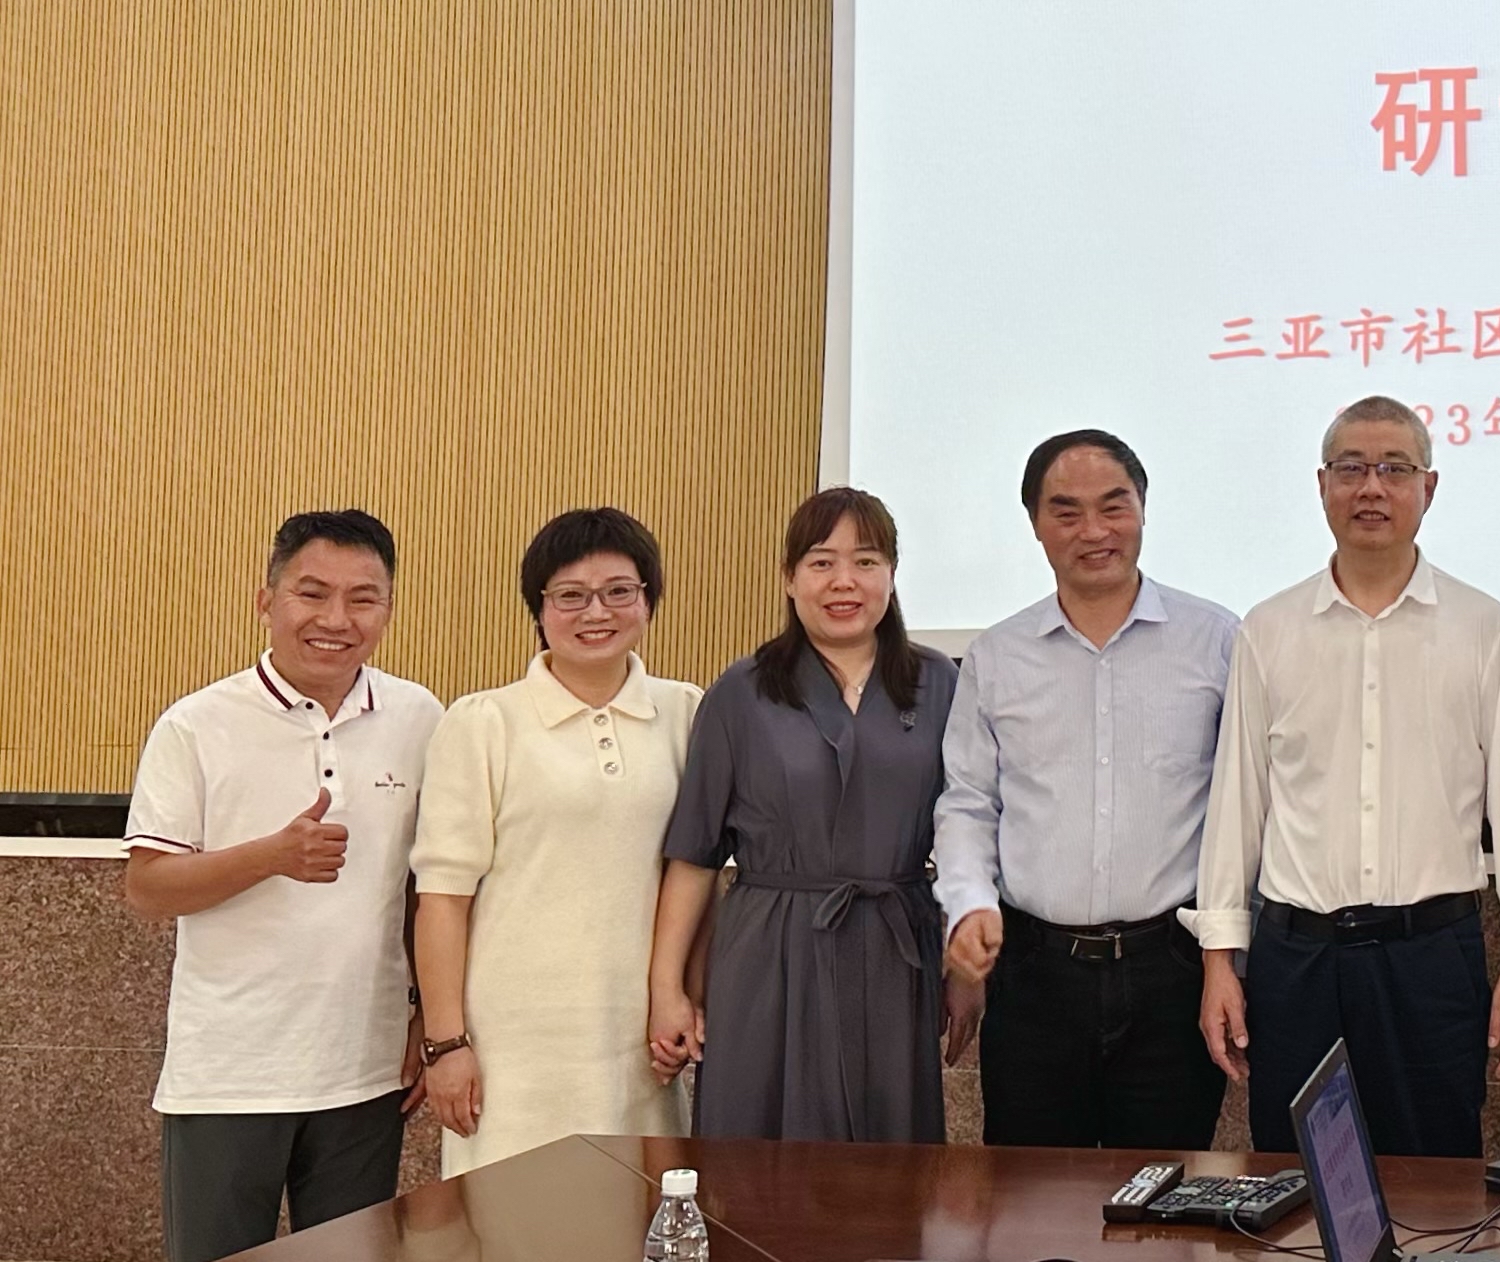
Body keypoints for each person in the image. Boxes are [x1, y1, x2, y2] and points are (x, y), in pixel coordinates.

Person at [1189, 396, 1500, 1158]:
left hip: (1431, 957)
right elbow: (1237, 805)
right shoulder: (1269, 629)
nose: (1372, 488)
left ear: (1429, 487)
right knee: (1293, 1182)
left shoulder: (1483, 627)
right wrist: (1219, 962)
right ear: (1322, 484)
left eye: (1395, 469)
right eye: (1351, 469)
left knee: (1435, 1180)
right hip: (1297, 960)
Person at [122, 511, 445, 1262]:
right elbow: (149, 887)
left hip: (365, 1071)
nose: (336, 619)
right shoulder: (196, 725)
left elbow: (427, 886)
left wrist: (429, 1014)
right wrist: (271, 856)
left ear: (388, 611)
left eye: (363, 598)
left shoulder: (421, 717)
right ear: (266, 601)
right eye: (312, 593)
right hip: (229, 1075)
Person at [935, 429, 1239, 1150]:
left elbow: (1243, 807)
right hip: (1034, 975)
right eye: (1066, 512)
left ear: (1143, 509)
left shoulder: (1218, 641)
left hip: (1172, 968)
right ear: (1036, 525)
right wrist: (969, 906)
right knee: (1028, 1196)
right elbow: (969, 802)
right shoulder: (997, 656)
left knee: (1164, 1192)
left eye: (1114, 506)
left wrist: (1230, 957)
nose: (1094, 531)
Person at [647, 487, 964, 1142]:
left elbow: (971, 833)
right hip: (771, 950)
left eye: (866, 561)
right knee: (761, 1148)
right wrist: (667, 988)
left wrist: (968, 970)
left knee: (889, 1153)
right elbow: (694, 855)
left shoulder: (941, 685)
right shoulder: (741, 693)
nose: (844, 581)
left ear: (892, 574)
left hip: (896, 951)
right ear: (790, 579)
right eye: (822, 562)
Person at [411, 509, 703, 1175]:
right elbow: (443, 899)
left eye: (619, 591)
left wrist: (686, 994)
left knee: (636, 1214)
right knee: (515, 1221)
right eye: (570, 595)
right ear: (539, 610)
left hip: (641, 1042)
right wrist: (446, 1044)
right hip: (513, 1046)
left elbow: (700, 877)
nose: (596, 612)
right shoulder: (483, 722)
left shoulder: (687, 713)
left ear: (648, 600)